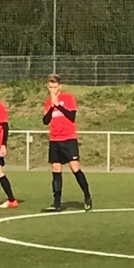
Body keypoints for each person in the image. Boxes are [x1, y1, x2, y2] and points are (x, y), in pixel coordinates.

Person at [43, 73, 92, 212]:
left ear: (60, 86)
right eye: (50, 87)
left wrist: (58, 105)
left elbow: (72, 116)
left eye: (55, 87)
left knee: (75, 168)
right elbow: (45, 120)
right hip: (54, 139)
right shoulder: (48, 102)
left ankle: (87, 195)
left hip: (68, 139)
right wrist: (52, 106)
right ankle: (57, 203)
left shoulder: (68, 98)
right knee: (56, 169)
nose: (53, 89)